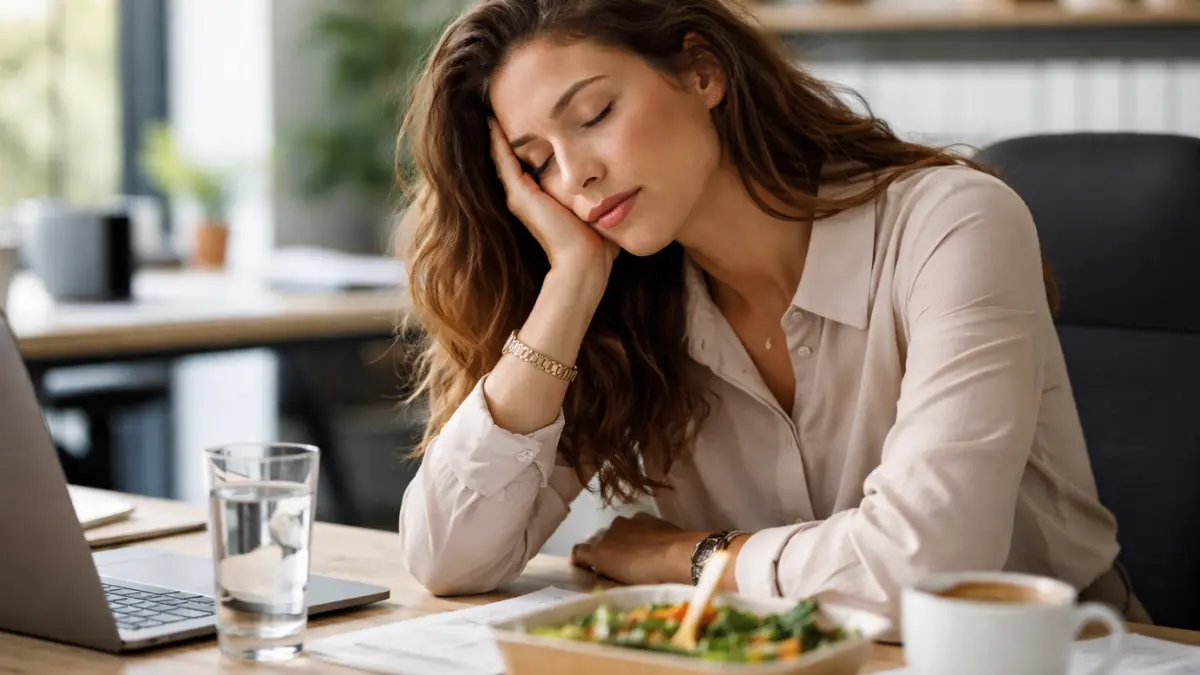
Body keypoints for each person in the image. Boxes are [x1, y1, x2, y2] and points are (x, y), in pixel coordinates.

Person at [394, 0, 1148, 623]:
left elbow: (925, 566)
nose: (575, 174)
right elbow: (449, 557)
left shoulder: (953, 223)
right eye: (535, 164)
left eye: (593, 113)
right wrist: (570, 285)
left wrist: (690, 556)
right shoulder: (623, 304)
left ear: (701, 71)